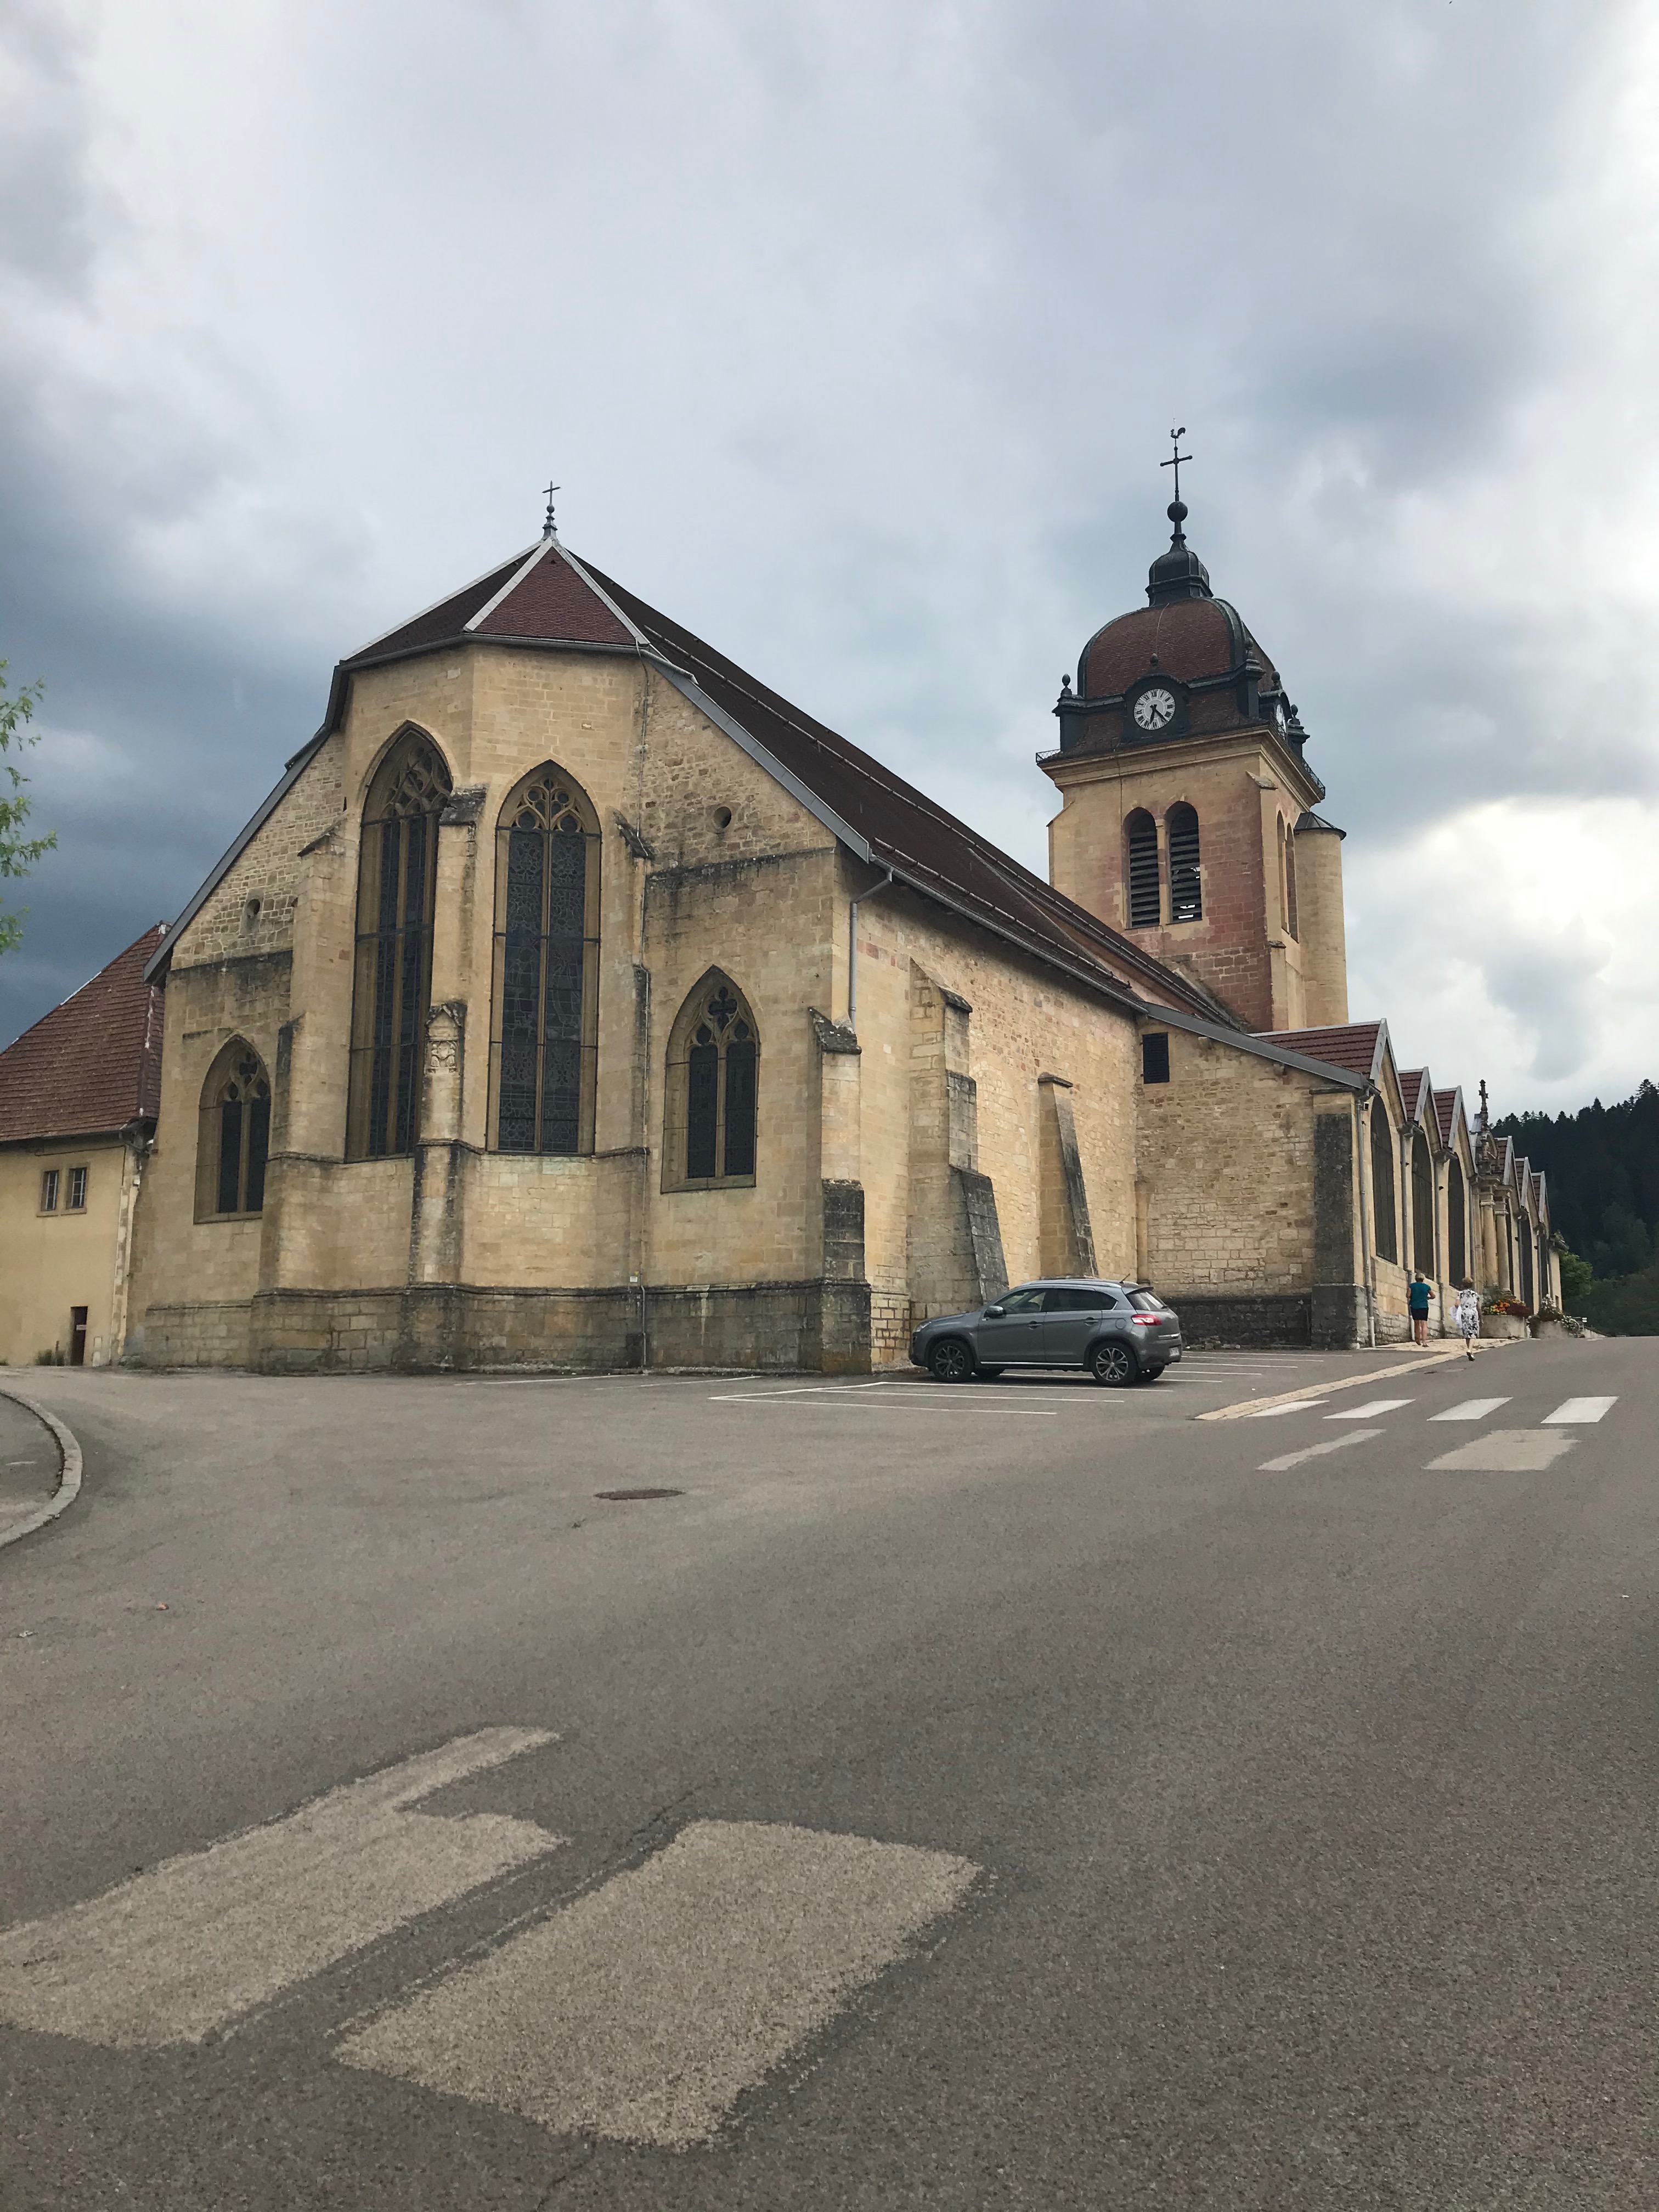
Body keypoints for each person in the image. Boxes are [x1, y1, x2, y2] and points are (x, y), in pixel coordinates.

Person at [1454, 1277, 1481, 1359]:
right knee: (1473, 1333)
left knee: (1466, 1333)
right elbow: (1479, 1307)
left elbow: (1457, 1304)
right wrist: (1481, 1318)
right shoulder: (1475, 1294)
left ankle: (1470, 1351)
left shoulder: (1460, 1294)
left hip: (1464, 1313)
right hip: (1473, 1313)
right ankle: (1470, 1350)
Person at [1408, 1269, 1432, 1347]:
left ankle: (1418, 1339)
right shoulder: (1427, 1287)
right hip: (1424, 1306)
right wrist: (1428, 1298)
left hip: (1414, 1306)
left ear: (1416, 1279)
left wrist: (1413, 1297)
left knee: (1417, 1323)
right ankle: (1424, 1342)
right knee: (1424, 1323)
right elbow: (1433, 1296)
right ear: (1423, 1279)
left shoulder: (1412, 1286)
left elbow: (1408, 1295)